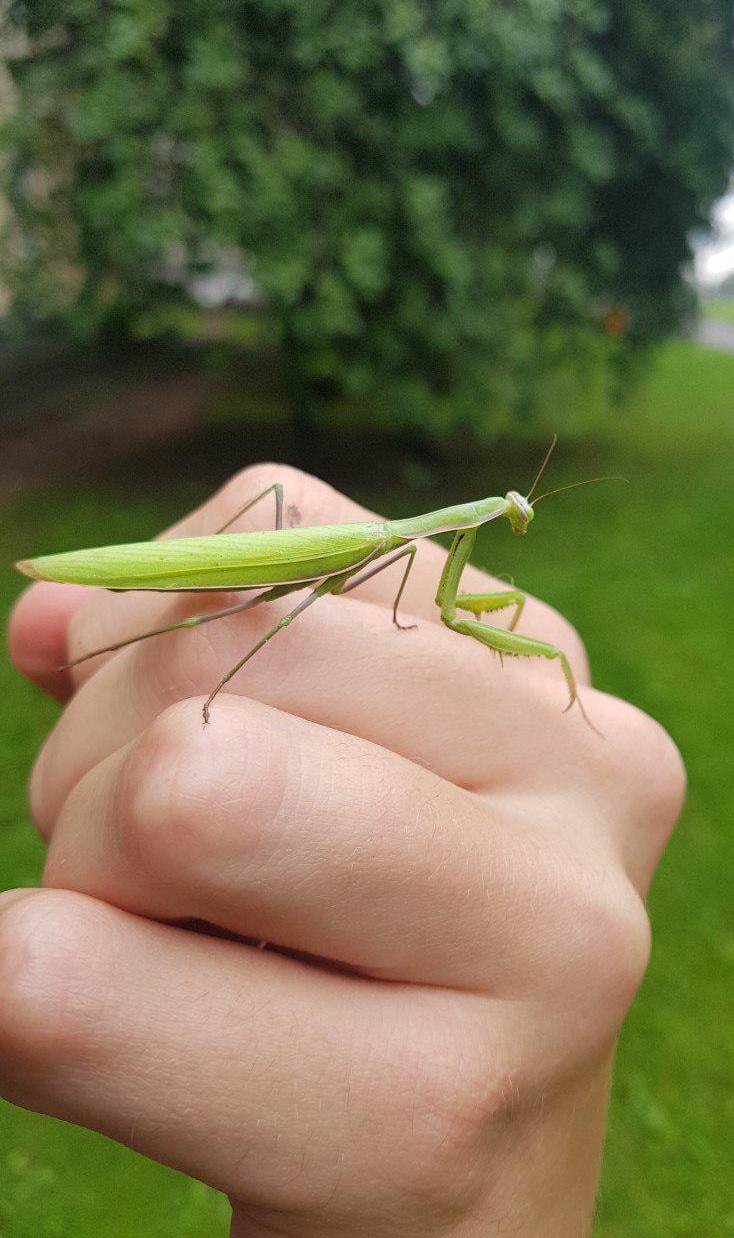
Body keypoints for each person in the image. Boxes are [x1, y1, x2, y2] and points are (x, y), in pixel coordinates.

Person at [2, 463, 685, 1238]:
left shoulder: (394, 549)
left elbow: (429, 600)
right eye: (514, 513)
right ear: (489, 514)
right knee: (223, 619)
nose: (519, 521)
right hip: (272, 574)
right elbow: (421, 610)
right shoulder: (380, 546)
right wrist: (220, 696)